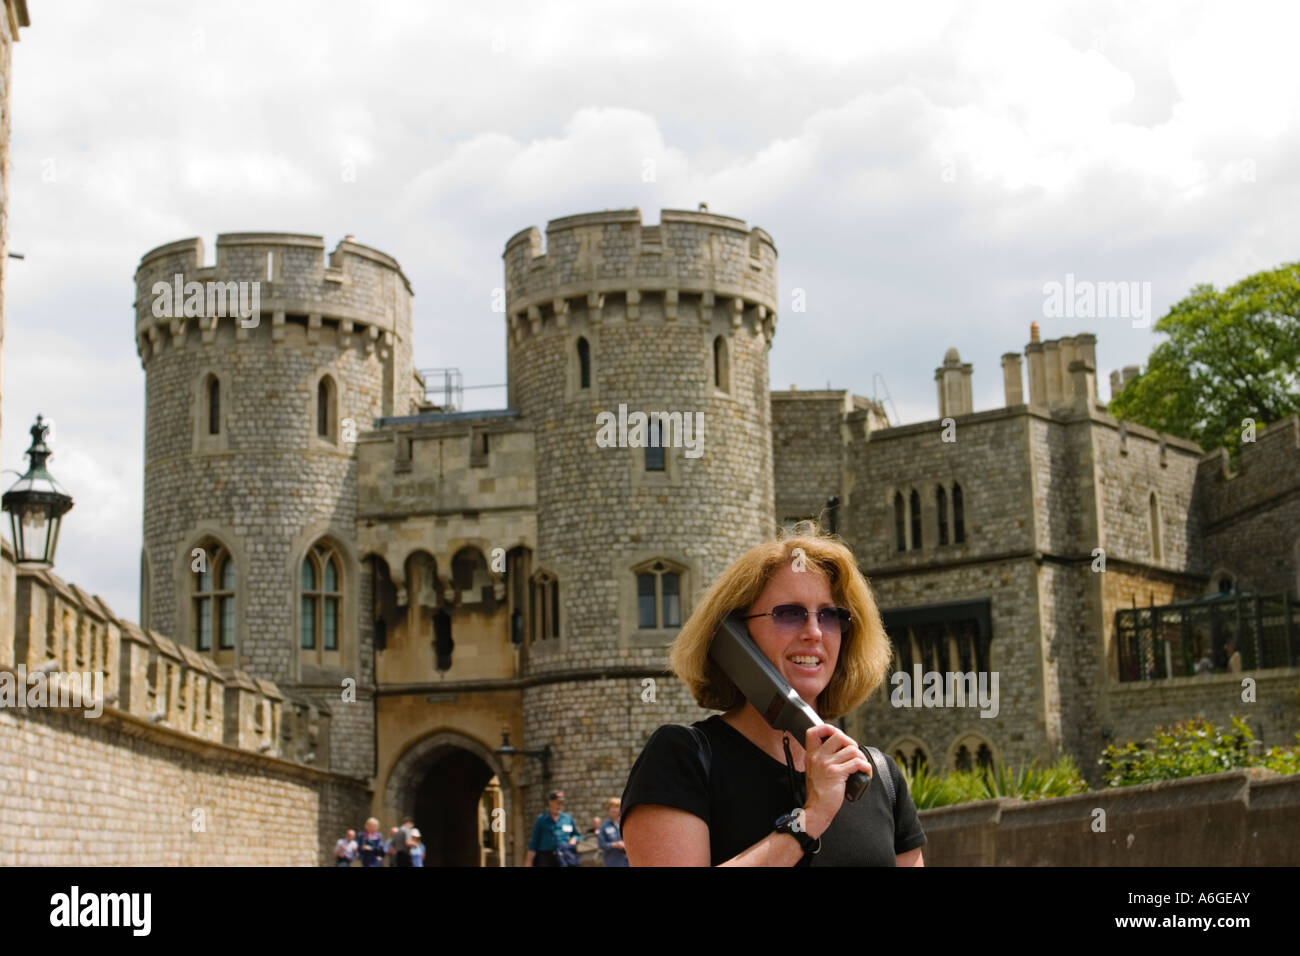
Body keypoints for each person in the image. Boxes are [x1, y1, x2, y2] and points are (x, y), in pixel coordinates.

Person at [621, 528, 927, 866]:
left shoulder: (877, 776)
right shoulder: (683, 758)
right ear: (732, 637)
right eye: (790, 613)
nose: (814, 632)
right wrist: (809, 820)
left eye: (830, 616)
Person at [525, 790, 580, 867]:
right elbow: (534, 843)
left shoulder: (568, 819)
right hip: (546, 858)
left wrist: (574, 839)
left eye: (561, 803)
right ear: (550, 802)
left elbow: (576, 835)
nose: (560, 806)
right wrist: (528, 861)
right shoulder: (541, 820)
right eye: (557, 803)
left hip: (564, 857)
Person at [597, 798, 628, 867]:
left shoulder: (625, 823)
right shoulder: (604, 826)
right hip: (612, 861)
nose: (614, 810)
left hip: (626, 861)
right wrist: (614, 845)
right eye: (612, 807)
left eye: (616, 807)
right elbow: (601, 844)